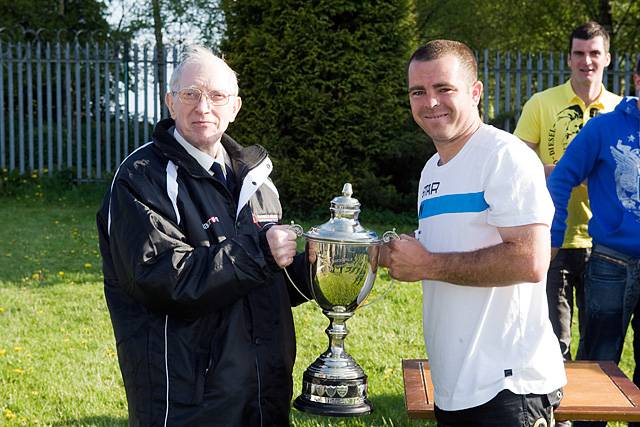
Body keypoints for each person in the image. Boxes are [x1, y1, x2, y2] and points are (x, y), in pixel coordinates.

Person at [96, 45, 311, 426]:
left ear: (235, 107)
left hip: (262, 395)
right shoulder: (142, 177)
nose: (203, 107)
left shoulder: (256, 178)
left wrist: (321, 269)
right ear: (170, 102)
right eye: (190, 94)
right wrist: (260, 252)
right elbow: (161, 279)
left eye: (217, 96)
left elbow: (269, 282)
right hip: (187, 402)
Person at [379, 39, 566, 426]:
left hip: (508, 388)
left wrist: (428, 264)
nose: (430, 102)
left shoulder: (505, 156)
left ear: (475, 92)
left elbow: (530, 260)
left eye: (444, 88)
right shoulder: (432, 169)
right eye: (418, 91)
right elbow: (444, 246)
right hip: (456, 385)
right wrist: (375, 253)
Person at [514, 21, 622, 361]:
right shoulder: (541, 104)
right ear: (569, 58)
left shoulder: (623, 111)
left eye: (594, 53)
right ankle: (556, 415)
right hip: (552, 236)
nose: (586, 61)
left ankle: (590, 414)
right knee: (552, 341)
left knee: (597, 346)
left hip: (605, 243)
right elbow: (515, 163)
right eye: (579, 53)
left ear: (608, 58)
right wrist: (559, 171)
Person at [547, 57, 640, 427]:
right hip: (610, 264)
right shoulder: (604, 128)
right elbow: (561, 178)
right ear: (636, 79)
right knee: (598, 367)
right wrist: (555, 236)